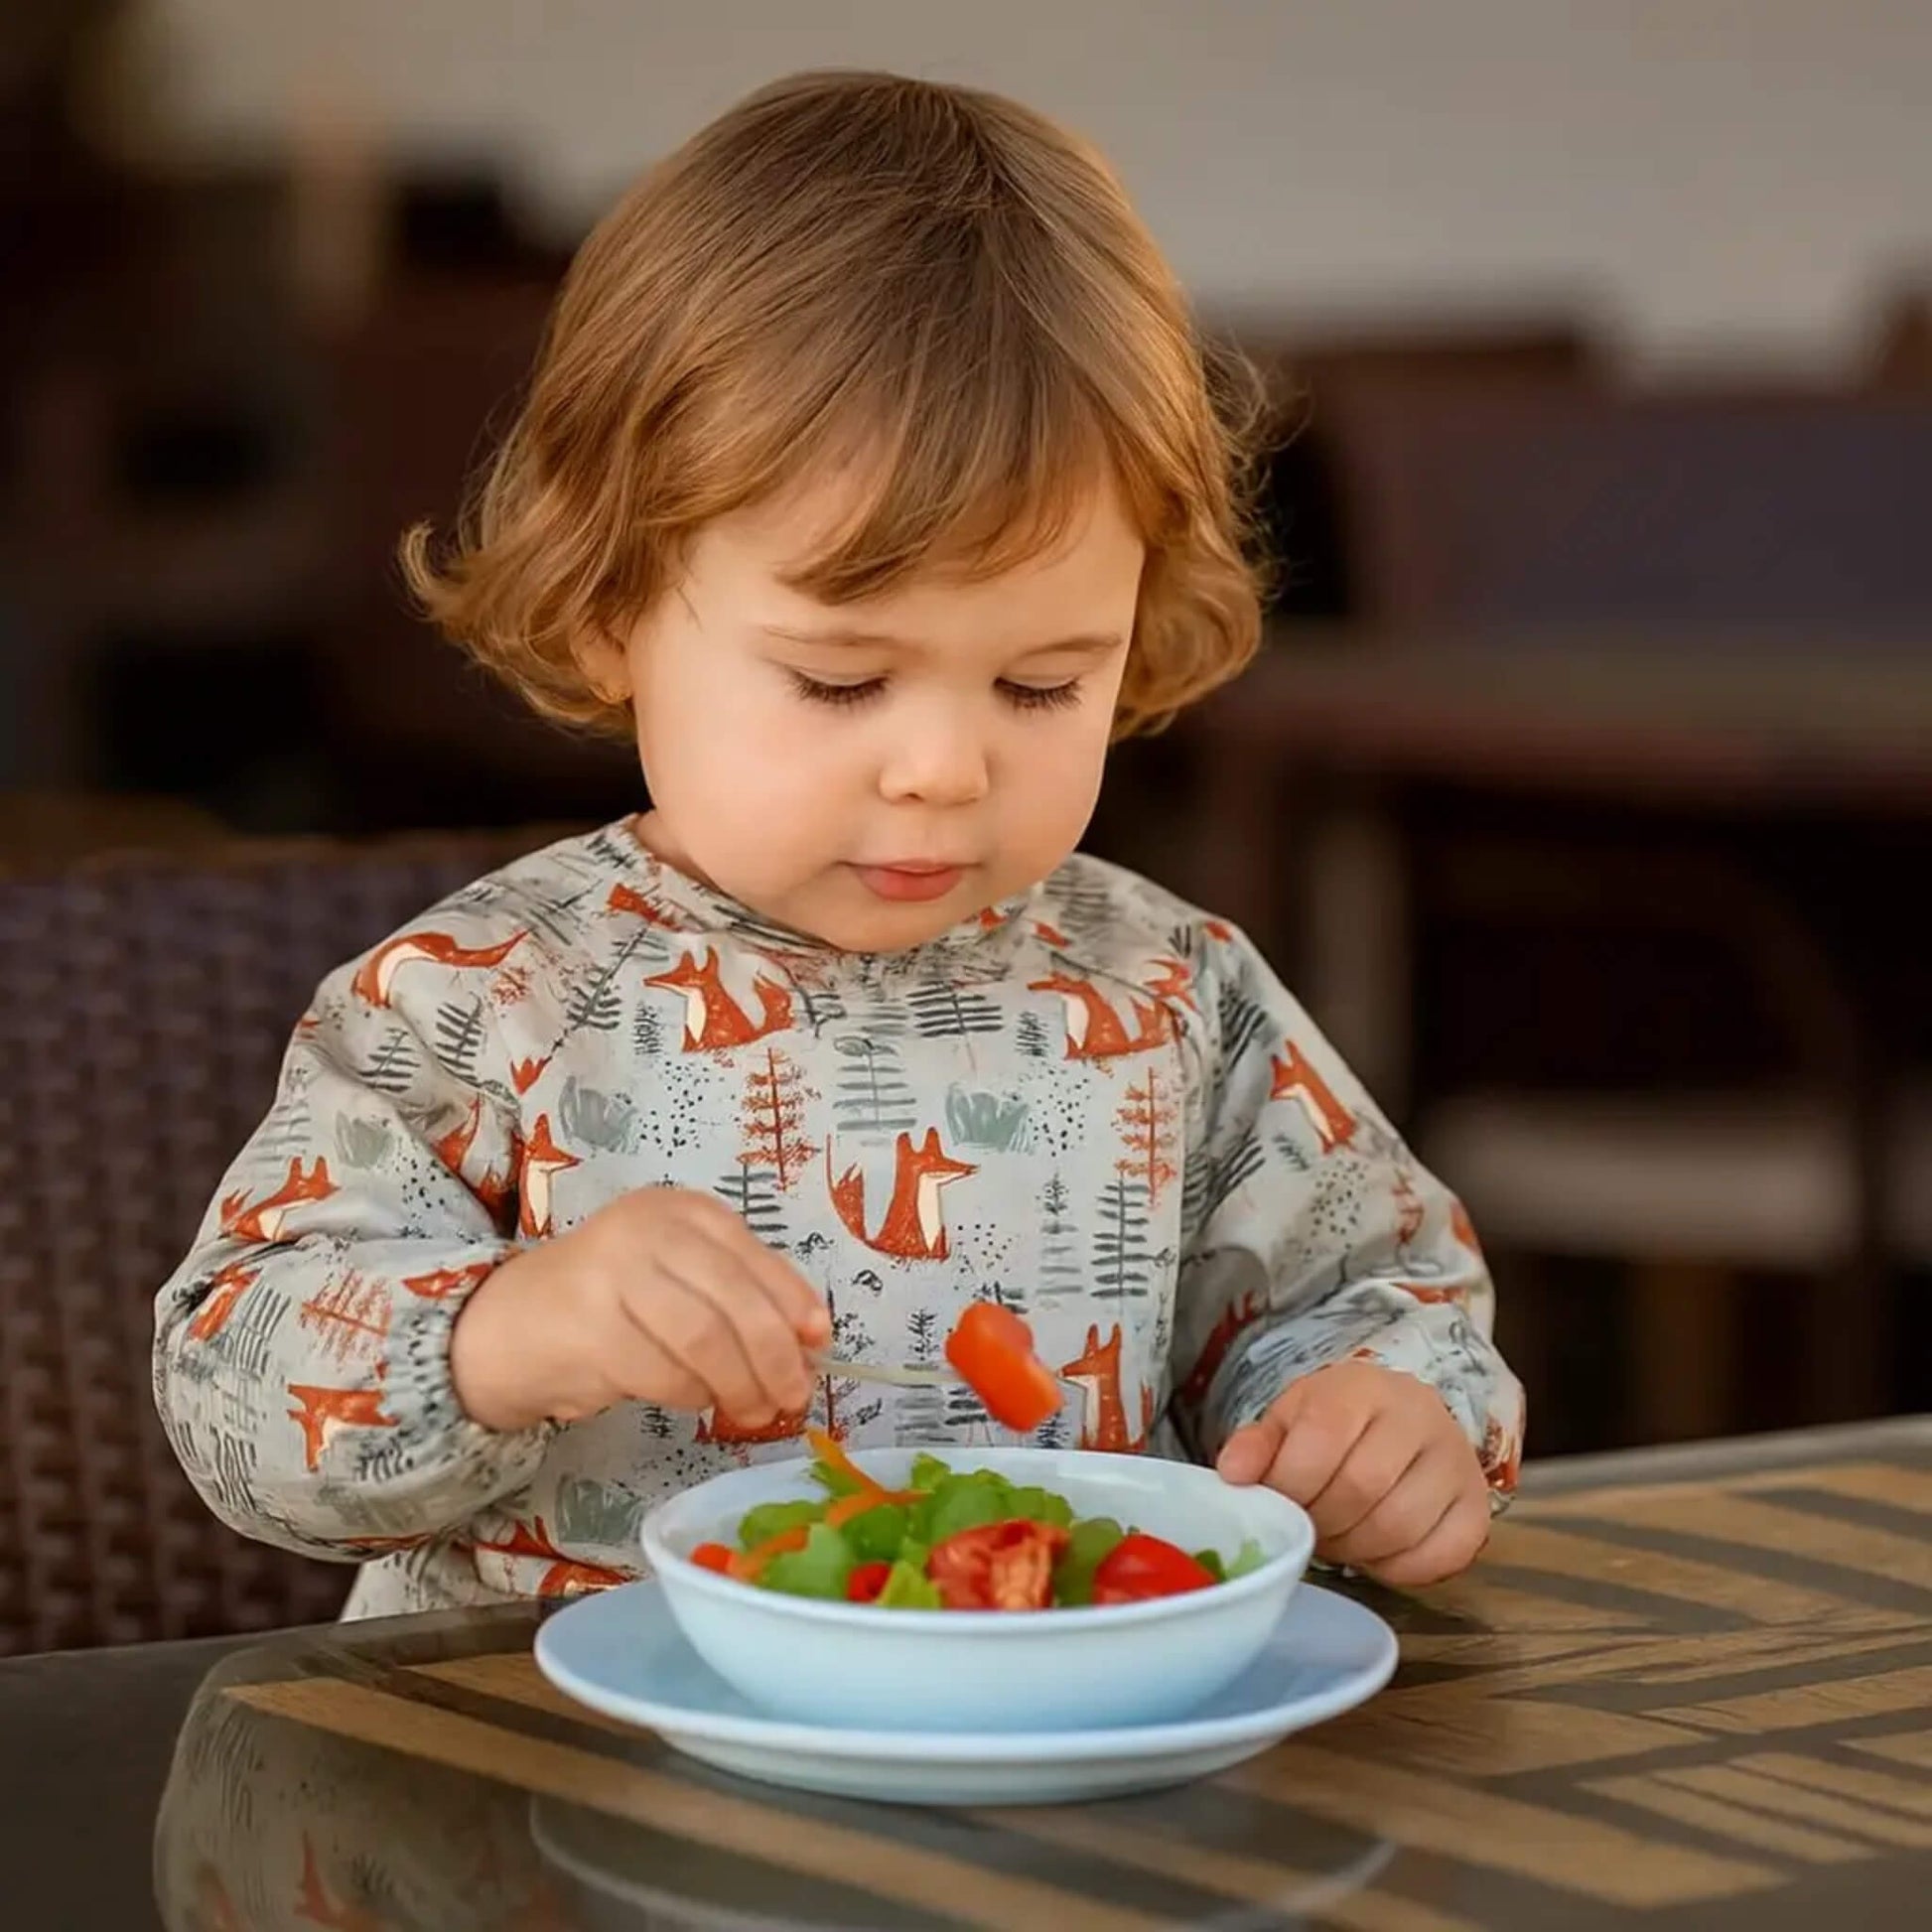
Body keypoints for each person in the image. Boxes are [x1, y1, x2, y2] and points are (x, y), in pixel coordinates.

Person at [154, 70, 1523, 1619]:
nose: (942, 767)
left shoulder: (1170, 999)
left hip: (1041, 1774)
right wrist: (501, 1333)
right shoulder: (483, 1001)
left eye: (1039, 681)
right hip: (542, 1801)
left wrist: (1390, 1422)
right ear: (614, 607)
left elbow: (1371, 1295)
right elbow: (230, 1385)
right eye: (841, 680)